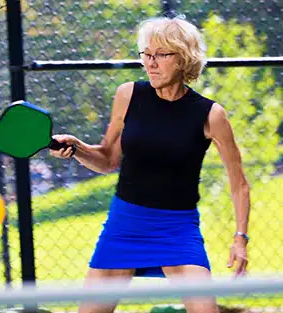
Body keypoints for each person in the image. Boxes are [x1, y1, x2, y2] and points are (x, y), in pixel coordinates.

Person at [50, 15, 250, 313]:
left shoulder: (211, 115)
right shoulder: (128, 95)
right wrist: (77, 148)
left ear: (183, 59)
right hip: (124, 225)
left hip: (177, 230)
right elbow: (107, 159)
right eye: (146, 54)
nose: (150, 62)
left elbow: (239, 183)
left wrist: (240, 238)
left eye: (160, 55)